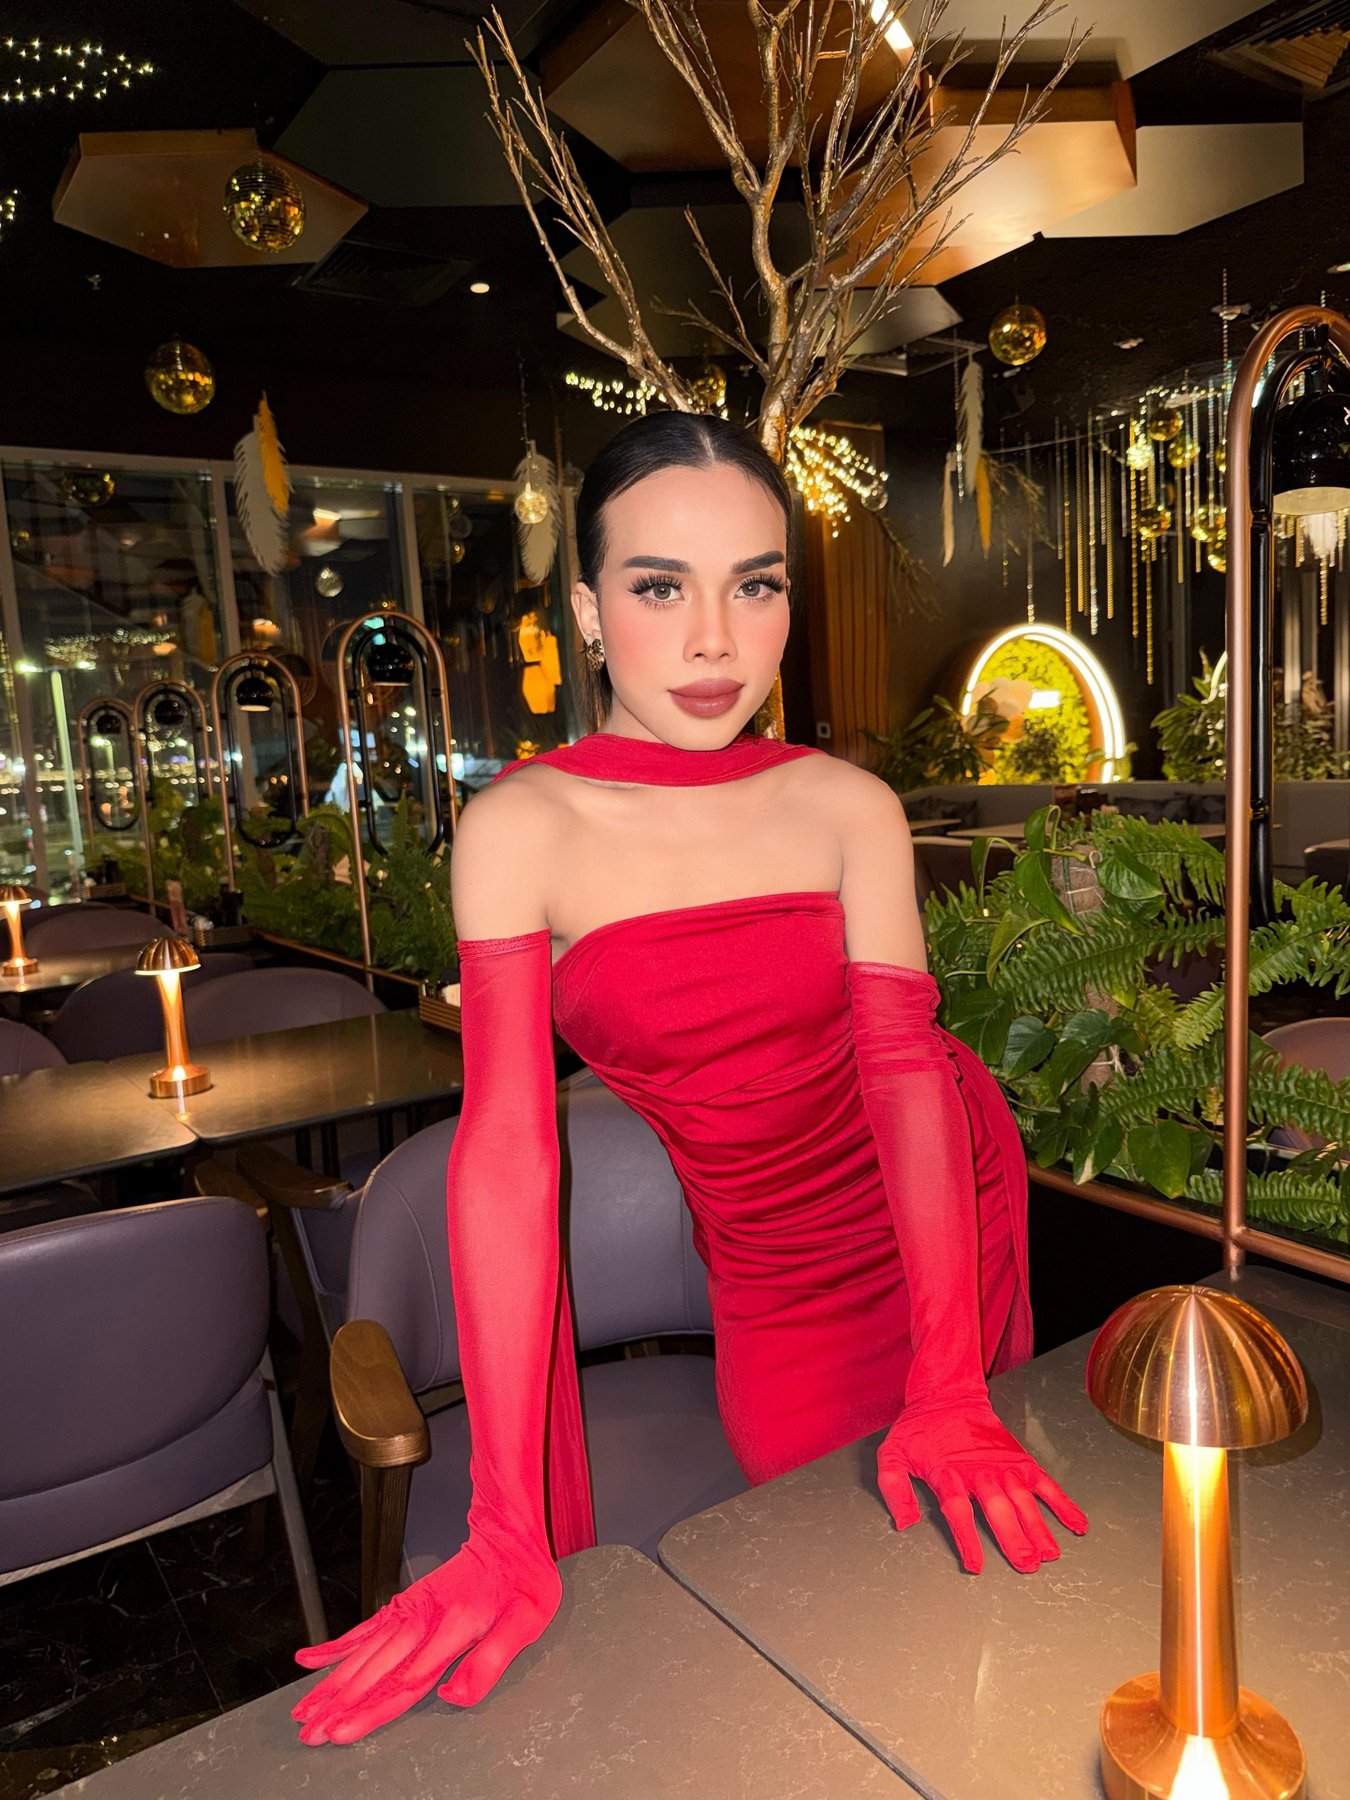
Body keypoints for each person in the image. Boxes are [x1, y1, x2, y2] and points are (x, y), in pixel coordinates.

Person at [290, 412, 1089, 1747]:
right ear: (588, 612)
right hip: (773, 1276)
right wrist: (504, 1514)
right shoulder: (522, 827)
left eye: (754, 586)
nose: (716, 642)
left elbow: (905, 1078)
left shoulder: (844, 805)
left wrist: (950, 1375)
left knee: (985, 1597)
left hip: (935, 1228)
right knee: (842, 1609)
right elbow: (505, 1152)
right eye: (661, 588)